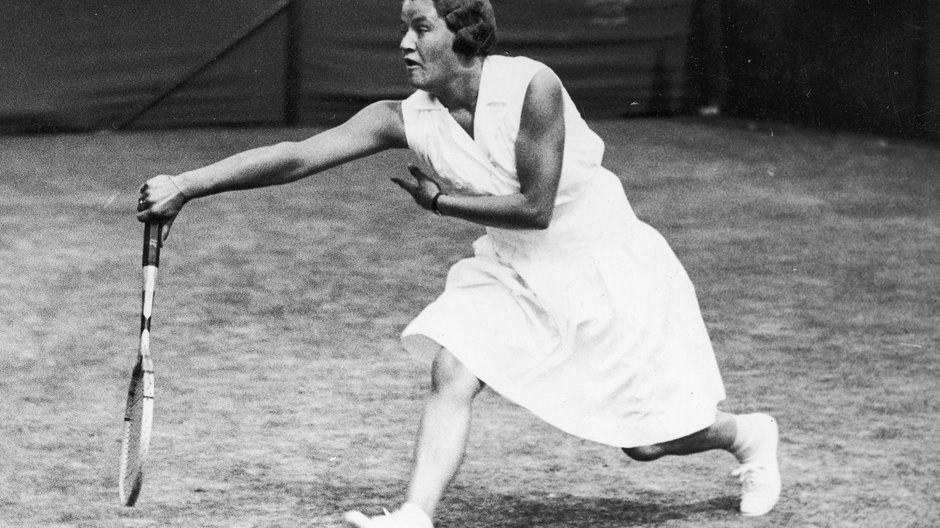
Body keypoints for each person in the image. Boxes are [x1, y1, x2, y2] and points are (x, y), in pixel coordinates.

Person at [136, 0, 782, 526]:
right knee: (453, 364)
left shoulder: (533, 87)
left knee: (643, 442)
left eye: (421, 27)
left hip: (605, 265)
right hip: (512, 270)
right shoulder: (403, 118)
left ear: (464, 32)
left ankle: (745, 434)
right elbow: (300, 155)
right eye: (403, 28)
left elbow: (535, 207)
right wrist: (189, 184)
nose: (405, 44)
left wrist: (442, 202)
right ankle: (415, 516)